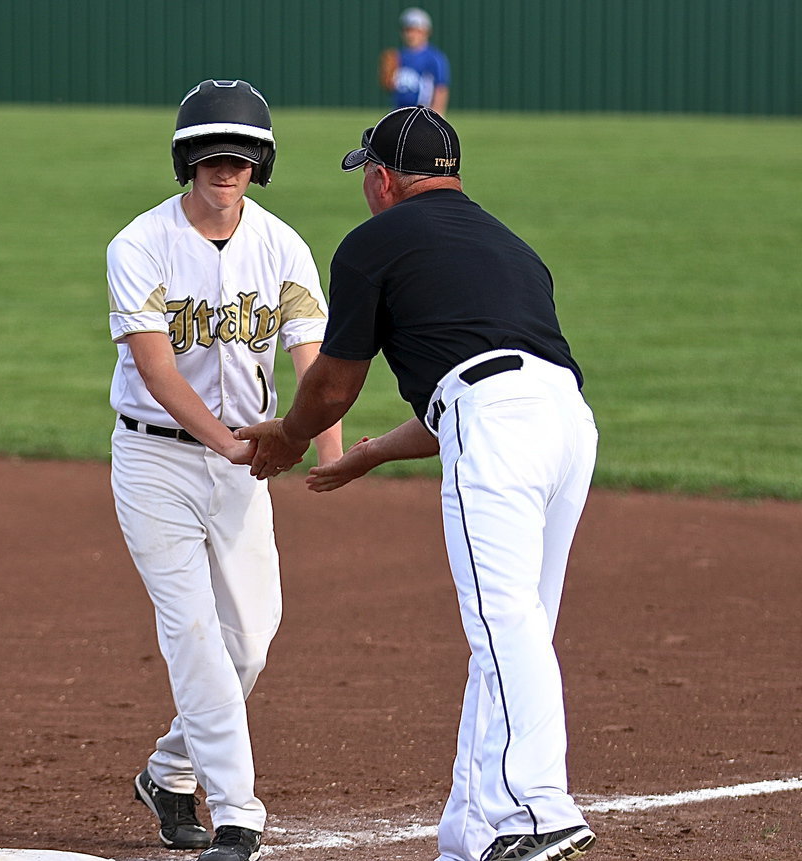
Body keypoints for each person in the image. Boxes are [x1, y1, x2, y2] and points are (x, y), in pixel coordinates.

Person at [236, 107, 599, 861]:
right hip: (566, 426)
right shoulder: (511, 246)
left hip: (497, 424)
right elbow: (478, 393)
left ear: (381, 179)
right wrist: (368, 455)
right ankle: (470, 837)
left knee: (502, 624)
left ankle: (539, 810)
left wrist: (292, 435)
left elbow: (333, 386)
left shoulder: (376, 241)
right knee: (515, 626)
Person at [108, 79, 342, 861]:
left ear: (260, 165)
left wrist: (330, 449)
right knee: (194, 633)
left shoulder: (283, 244)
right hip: (155, 461)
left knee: (249, 641)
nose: (226, 168)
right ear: (186, 159)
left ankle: (169, 772)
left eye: (241, 157)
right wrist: (236, 444)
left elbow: (314, 357)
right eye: (211, 154)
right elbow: (158, 372)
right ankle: (239, 812)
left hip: (249, 463)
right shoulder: (138, 243)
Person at [379, 7, 451, 114]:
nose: (412, 35)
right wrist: (388, 83)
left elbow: (441, 89)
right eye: (408, 30)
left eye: (417, 31)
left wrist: (437, 114)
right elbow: (394, 88)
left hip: (422, 113)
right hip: (399, 111)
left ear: (426, 32)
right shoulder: (398, 56)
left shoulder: (434, 57)